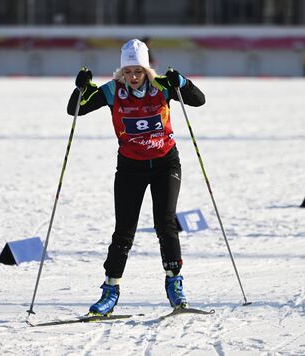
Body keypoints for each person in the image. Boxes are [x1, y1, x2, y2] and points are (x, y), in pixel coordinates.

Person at [66, 39, 205, 316]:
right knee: (124, 230)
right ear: (121, 72)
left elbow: (198, 100)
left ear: (146, 70)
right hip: (131, 167)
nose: (132, 77)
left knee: (166, 223)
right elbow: (75, 109)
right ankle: (110, 290)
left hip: (166, 163)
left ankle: (174, 284)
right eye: (127, 72)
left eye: (138, 71)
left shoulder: (164, 85)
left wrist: (184, 82)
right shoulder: (111, 90)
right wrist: (80, 87)